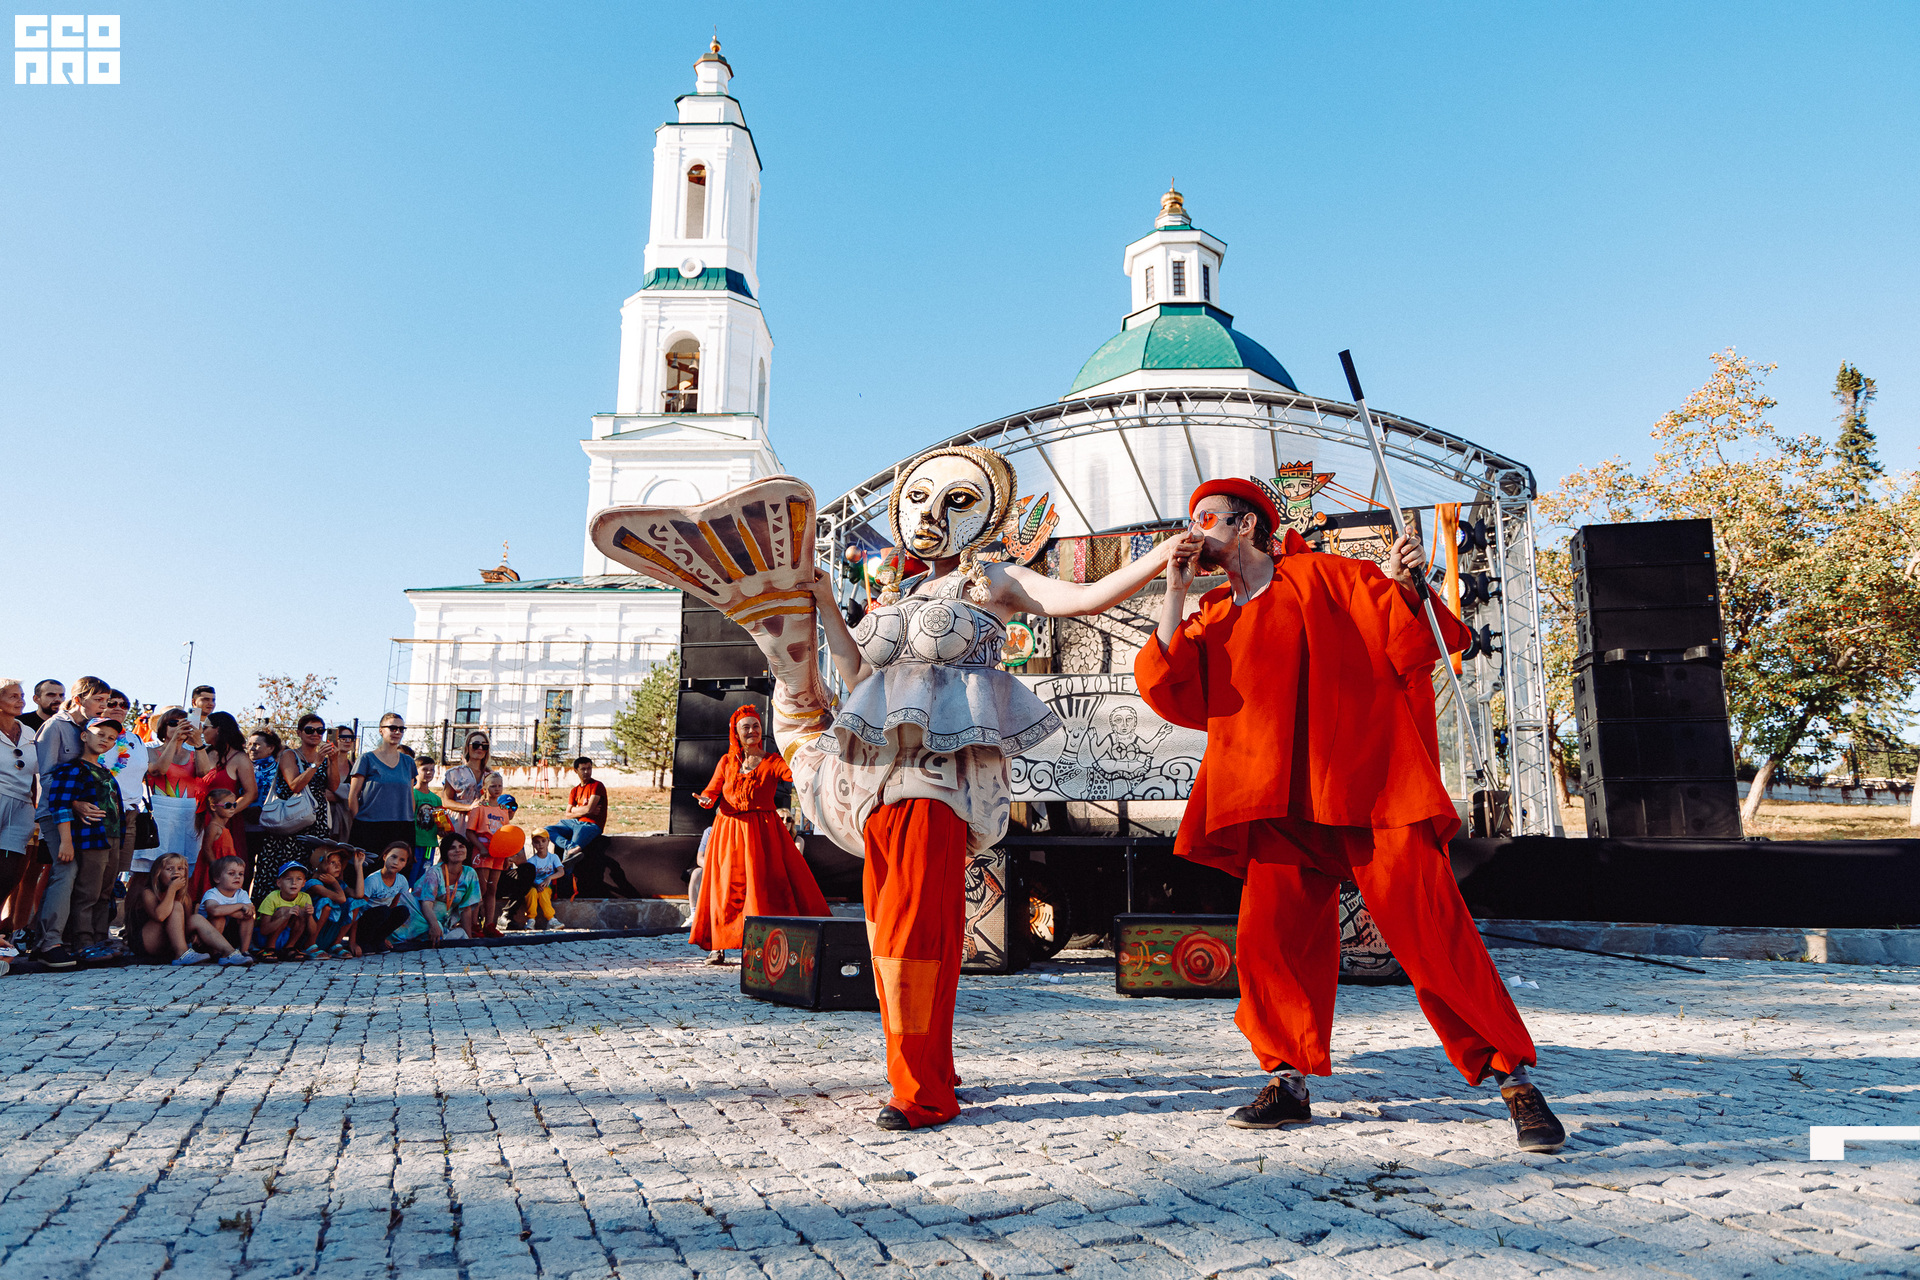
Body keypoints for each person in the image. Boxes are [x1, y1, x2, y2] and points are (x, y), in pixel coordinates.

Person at [594, 451, 1179, 1129]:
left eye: (956, 501)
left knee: (912, 930)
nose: (931, 514)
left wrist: (1162, 555)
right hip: (874, 785)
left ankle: (921, 1092)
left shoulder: (990, 579)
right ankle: (931, 1067)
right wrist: (817, 600)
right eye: (919, 498)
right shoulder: (895, 598)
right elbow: (851, 667)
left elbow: (1085, 599)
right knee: (890, 930)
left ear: (988, 512)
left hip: (937, 786)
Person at [1135, 478, 1565, 1153]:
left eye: (1209, 518)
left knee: (1432, 930)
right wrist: (1175, 588)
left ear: (1248, 526)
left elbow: (1411, 637)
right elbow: (1163, 681)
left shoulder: (1326, 576)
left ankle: (1514, 1081)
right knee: (1270, 944)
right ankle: (1287, 1081)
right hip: (1276, 803)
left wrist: (1404, 585)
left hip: (1368, 786)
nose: (1196, 529)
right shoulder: (1211, 616)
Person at [691, 705, 829, 964]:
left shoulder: (772, 761)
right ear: (737, 733)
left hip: (760, 833)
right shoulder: (727, 762)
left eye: (756, 726)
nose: (753, 731)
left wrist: (810, 755)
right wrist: (706, 800)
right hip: (728, 831)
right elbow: (712, 790)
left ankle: (758, 946)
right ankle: (717, 946)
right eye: (747, 727)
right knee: (724, 889)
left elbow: (795, 775)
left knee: (759, 888)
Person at [32, 677, 112, 967]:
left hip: (85, 817)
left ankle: (73, 940)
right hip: (57, 812)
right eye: (99, 700)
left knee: (86, 876)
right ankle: (47, 942)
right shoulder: (55, 727)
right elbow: (47, 775)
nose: (104, 706)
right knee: (66, 870)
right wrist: (75, 803)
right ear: (79, 699)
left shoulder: (90, 729)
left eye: (106, 701)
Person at [86, 689, 150, 953]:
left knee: (113, 880)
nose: (119, 708)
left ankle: (102, 937)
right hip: (99, 812)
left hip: (129, 813)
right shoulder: (91, 734)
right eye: (112, 703)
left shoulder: (134, 739)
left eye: (124, 705)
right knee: (91, 879)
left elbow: (149, 771)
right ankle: (81, 938)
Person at [255, 714, 341, 897]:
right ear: (299, 733)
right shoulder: (289, 754)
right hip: (291, 822)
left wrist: (333, 761)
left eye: (320, 730)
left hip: (315, 823)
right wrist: (315, 763)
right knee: (283, 871)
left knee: (309, 871)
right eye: (310, 730)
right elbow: (295, 785)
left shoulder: (326, 758)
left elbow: (333, 786)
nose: (315, 734)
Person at [138, 851, 245, 966]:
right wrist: (172, 890)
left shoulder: (185, 897)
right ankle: (182, 954)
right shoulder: (148, 892)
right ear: (158, 873)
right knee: (175, 905)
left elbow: (184, 923)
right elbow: (160, 916)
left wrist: (192, 935)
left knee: (196, 918)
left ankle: (229, 953)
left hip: (170, 941)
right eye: (169, 869)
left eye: (180, 869)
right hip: (150, 942)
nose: (176, 872)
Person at [194, 711, 257, 893]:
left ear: (218, 730)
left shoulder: (239, 758)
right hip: (198, 819)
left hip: (225, 823)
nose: (202, 730)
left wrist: (228, 812)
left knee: (223, 870)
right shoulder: (204, 753)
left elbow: (251, 793)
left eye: (205, 727)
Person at [0, 680, 38, 957]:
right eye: (13, 696)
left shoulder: (29, 732)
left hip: (23, 805)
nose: (21, 700)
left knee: (10, 874)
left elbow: (37, 774)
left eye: (22, 696)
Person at [348, 713, 420, 857]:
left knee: (399, 874)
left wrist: (409, 820)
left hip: (401, 827)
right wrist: (359, 824)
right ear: (381, 730)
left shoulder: (408, 762)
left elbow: (410, 796)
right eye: (393, 728)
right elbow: (353, 795)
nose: (397, 732)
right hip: (370, 826)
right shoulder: (366, 759)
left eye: (401, 729)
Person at [395, 835, 478, 945]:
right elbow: (426, 904)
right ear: (445, 852)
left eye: (461, 846)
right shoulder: (434, 872)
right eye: (452, 848)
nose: (458, 850)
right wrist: (434, 925)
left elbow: (466, 908)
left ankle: (433, 932)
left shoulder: (470, 873)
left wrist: (469, 940)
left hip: (443, 921)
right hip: (422, 915)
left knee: (460, 934)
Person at [469, 786, 522, 937]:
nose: (497, 789)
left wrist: (506, 857)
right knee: (481, 889)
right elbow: (470, 831)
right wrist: (480, 847)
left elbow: (504, 835)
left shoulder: (503, 810)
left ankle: (489, 924)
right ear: (486, 788)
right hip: (483, 851)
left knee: (492, 889)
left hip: (498, 854)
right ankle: (474, 923)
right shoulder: (479, 807)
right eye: (493, 786)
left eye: (500, 785)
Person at [359, 843, 424, 954]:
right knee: (383, 911)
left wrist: (384, 936)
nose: (396, 862)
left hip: (381, 918)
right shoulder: (373, 880)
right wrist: (353, 943)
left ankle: (378, 940)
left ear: (405, 864)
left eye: (402, 860)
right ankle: (363, 942)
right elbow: (357, 909)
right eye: (393, 857)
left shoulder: (402, 881)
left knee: (402, 911)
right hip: (364, 922)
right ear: (385, 856)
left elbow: (393, 905)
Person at [305, 846, 363, 958]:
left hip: (329, 932)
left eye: (339, 862)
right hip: (311, 932)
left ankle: (336, 943)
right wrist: (335, 883)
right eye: (332, 862)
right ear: (319, 865)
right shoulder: (313, 883)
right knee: (326, 904)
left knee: (355, 904)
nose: (338, 866)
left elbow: (359, 895)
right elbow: (341, 898)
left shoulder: (339, 884)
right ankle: (310, 944)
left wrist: (358, 866)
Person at [254, 862, 318, 961]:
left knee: (300, 912)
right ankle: (270, 948)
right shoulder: (272, 897)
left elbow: (312, 932)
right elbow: (264, 930)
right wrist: (284, 916)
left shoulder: (305, 897)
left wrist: (309, 915)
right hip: (264, 938)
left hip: (286, 937)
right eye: (289, 879)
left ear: (304, 883)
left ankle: (289, 948)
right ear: (279, 883)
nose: (294, 883)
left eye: (299, 879)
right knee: (284, 910)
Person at [545, 757, 607, 857]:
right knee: (547, 830)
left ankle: (566, 871)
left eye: (589, 768)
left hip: (590, 825)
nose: (587, 771)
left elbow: (589, 809)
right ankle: (570, 846)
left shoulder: (597, 785)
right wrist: (582, 810)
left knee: (570, 853)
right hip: (575, 822)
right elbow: (568, 814)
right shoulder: (575, 790)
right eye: (583, 769)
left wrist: (575, 810)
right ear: (576, 770)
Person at [197, 855, 257, 961]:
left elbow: (250, 911)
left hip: (231, 933)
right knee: (219, 918)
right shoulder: (212, 893)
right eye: (231, 873)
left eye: (241, 874)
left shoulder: (241, 893)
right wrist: (240, 906)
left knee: (247, 918)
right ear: (217, 878)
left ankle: (244, 951)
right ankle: (215, 952)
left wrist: (227, 911)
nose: (237, 877)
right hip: (206, 938)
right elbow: (214, 911)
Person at [439, 730, 492, 841]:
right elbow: (446, 801)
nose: (480, 748)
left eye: (485, 746)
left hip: (482, 823)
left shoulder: (491, 775)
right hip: (459, 822)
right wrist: (469, 808)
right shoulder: (454, 773)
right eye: (476, 745)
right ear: (467, 747)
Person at [520, 832, 564, 930]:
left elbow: (561, 872)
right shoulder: (532, 860)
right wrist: (535, 884)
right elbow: (528, 878)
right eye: (537, 842)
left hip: (547, 887)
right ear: (533, 844)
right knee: (531, 892)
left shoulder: (553, 857)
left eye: (543, 841)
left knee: (543, 891)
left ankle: (551, 919)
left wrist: (549, 878)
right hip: (534, 886)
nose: (540, 844)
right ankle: (531, 920)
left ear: (548, 842)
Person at [411, 756, 444, 882]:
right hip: (414, 843)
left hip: (430, 844)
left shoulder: (436, 799)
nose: (429, 773)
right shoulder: (412, 793)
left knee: (423, 879)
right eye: (425, 769)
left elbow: (440, 822)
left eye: (432, 770)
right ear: (416, 771)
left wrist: (442, 829)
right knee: (411, 876)